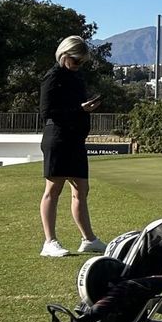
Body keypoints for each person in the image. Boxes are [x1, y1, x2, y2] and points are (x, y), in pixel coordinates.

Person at [38, 36, 106, 257]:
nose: (79, 65)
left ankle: (89, 239)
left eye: (82, 62)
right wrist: (79, 110)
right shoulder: (52, 77)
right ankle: (50, 242)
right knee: (53, 190)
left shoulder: (76, 77)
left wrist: (84, 109)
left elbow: (76, 107)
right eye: (77, 61)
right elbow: (47, 113)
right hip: (57, 138)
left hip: (75, 140)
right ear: (65, 56)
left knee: (81, 190)